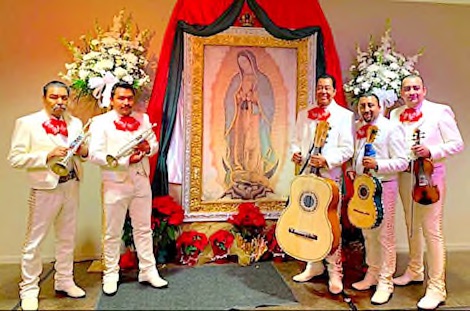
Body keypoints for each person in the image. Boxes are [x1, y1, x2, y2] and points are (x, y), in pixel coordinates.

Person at [7, 80, 88, 311]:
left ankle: (64, 280)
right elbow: (15, 158)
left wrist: (83, 151)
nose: (59, 102)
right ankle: (29, 289)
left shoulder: (75, 123)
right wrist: (47, 154)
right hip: (44, 188)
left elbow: (81, 154)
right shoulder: (27, 123)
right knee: (34, 242)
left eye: (64, 97)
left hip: (71, 184)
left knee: (66, 238)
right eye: (54, 97)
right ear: (44, 98)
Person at [390, 74, 464, 310]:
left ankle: (437, 287)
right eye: (407, 89)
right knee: (411, 223)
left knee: (432, 230)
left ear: (424, 90)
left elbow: (457, 143)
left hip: (430, 176)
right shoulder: (395, 114)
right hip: (405, 174)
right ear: (401, 93)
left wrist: (430, 150)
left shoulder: (440, 111)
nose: (411, 92)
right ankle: (415, 269)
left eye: (416, 88)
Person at [88, 82, 168, 296]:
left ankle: (148, 270)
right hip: (115, 182)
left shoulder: (143, 119)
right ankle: (111, 273)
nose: (126, 102)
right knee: (112, 232)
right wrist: (125, 159)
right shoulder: (100, 122)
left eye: (129, 98)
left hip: (140, 180)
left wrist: (147, 148)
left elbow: (154, 145)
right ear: (112, 99)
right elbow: (94, 154)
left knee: (143, 229)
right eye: (121, 98)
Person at [290, 73, 354, 294]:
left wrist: (327, 160)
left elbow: (347, 148)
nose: (323, 92)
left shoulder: (344, 116)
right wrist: (296, 154)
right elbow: (295, 141)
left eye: (327, 88)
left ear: (334, 91)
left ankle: (335, 270)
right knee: (309, 220)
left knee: (330, 222)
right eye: (319, 88)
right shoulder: (304, 114)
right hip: (308, 175)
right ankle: (313, 264)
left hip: (330, 177)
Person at [348, 93, 408, 304]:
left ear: (379, 106)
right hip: (363, 188)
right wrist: (352, 169)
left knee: (384, 236)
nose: (366, 109)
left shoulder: (391, 128)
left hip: (384, 187)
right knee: (368, 234)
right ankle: (372, 273)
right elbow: (357, 154)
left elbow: (402, 162)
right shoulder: (358, 129)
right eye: (363, 106)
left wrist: (379, 165)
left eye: (370, 105)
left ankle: (386, 281)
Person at [223, 49, 278, 199]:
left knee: (253, 143)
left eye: (245, 62)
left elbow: (269, 102)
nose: (243, 65)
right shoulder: (236, 79)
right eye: (240, 63)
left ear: (251, 61)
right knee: (240, 142)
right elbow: (228, 99)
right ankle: (239, 169)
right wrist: (238, 97)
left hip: (255, 118)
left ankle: (254, 172)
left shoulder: (262, 80)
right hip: (240, 116)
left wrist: (255, 98)